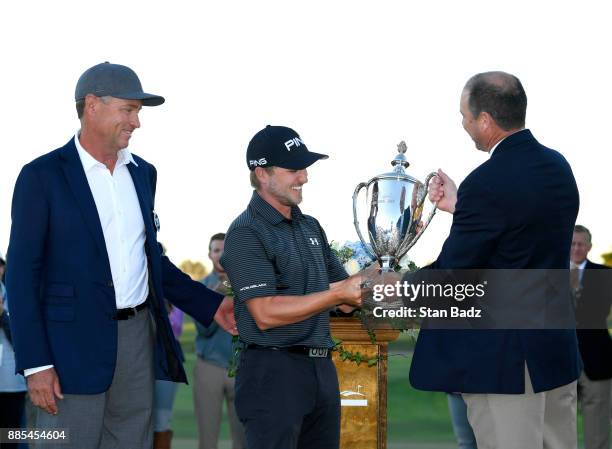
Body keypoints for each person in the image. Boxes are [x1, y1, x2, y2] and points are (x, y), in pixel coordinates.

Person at [6, 62, 235, 449]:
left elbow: (151, 260)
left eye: (138, 112)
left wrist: (211, 305)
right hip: (68, 349)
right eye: (128, 110)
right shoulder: (41, 176)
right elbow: (21, 275)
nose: (137, 122)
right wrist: (37, 365)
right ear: (92, 105)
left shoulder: (143, 173)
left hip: (136, 341)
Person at [409, 72, 582, 449]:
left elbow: (455, 273)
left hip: (506, 363)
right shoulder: (557, 168)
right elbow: (522, 234)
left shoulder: (487, 182)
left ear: (485, 120)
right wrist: (462, 207)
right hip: (555, 352)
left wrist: (393, 287)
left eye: (465, 116)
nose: (464, 124)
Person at [221, 125, 364, 449]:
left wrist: (379, 274)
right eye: (293, 169)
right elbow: (265, 312)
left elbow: (344, 295)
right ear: (261, 174)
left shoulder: (309, 226)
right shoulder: (246, 232)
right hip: (272, 374)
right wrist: (337, 294)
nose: (304, 178)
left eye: (304, 169)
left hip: (321, 370)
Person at [193, 233, 246, 449]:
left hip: (242, 366)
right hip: (209, 368)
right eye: (216, 250)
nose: (221, 254)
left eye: (225, 249)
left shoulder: (246, 284)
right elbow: (202, 330)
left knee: (243, 438)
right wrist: (213, 299)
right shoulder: (201, 287)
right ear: (209, 255)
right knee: (208, 438)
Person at [570, 225, 612, 449]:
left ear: (589, 246)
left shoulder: (606, 275)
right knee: (555, 423)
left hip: (597, 360)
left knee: (597, 426)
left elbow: (601, 310)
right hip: (560, 360)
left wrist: (577, 290)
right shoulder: (551, 274)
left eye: (581, 244)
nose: (577, 248)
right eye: (573, 243)